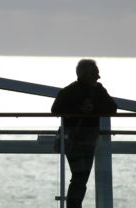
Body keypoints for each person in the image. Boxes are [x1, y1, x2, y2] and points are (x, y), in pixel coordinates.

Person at [51, 59, 117, 208]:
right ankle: (74, 206)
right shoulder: (94, 90)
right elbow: (55, 109)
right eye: (95, 73)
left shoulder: (70, 91)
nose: (98, 77)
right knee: (80, 177)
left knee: (80, 177)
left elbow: (112, 108)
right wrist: (82, 109)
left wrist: (90, 108)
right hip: (82, 140)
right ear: (86, 74)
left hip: (82, 140)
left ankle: (74, 205)